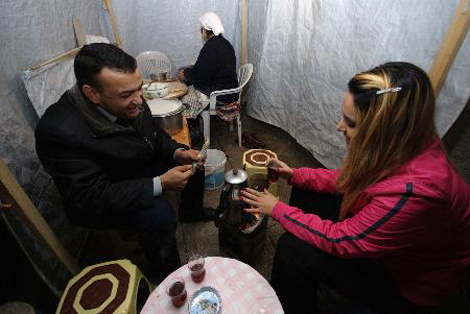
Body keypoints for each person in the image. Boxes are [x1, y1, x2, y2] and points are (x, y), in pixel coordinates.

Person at [240, 62, 470, 313]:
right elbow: (352, 178)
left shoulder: (415, 194)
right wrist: (296, 174)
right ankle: (311, 278)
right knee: (307, 191)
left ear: (381, 132)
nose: (340, 126)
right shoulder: (406, 141)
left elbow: (341, 240)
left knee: (291, 249)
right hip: (395, 246)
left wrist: (277, 209)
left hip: (409, 284)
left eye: (350, 123)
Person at [35, 43, 205, 283]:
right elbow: (90, 197)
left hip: (136, 165)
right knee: (159, 216)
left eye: (139, 89)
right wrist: (159, 183)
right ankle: (166, 276)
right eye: (126, 95)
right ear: (92, 93)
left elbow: (154, 136)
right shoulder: (58, 132)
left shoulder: (130, 97)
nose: (139, 100)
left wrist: (177, 153)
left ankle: (191, 213)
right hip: (107, 193)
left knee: (193, 162)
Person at [179, 12, 239, 127]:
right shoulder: (225, 44)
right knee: (189, 78)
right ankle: (195, 123)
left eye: (201, 30)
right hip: (229, 88)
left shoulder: (210, 48)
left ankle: (193, 130)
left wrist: (185, 75)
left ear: (204, 31)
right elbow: (207, 69)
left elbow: (200, 75)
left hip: (221, 94)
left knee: (185, 102)